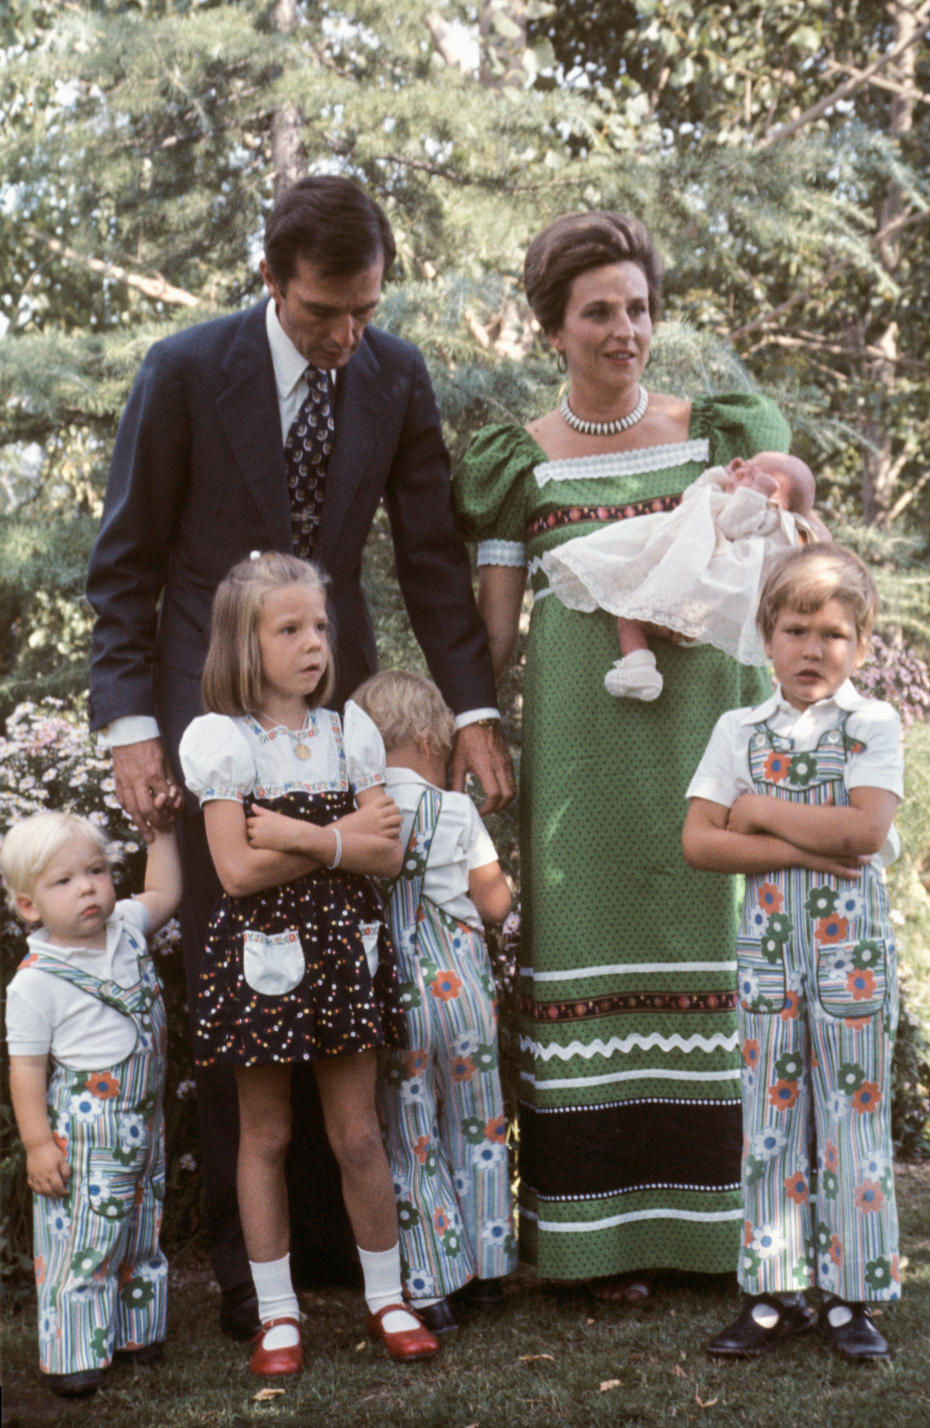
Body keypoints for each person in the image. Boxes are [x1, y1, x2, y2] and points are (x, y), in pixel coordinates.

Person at [85, 174, 514, 1337]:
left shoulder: (394, 373)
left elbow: (429, 553)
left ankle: (347, 1245)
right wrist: (134, 732)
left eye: (366, 309)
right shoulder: (185, 371)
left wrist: (470, 711)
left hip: (339, 714)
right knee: (237, 973)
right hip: (209, 710)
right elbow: (125, 560)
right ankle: (248, 1270)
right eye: (327, 311)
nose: (347, 336)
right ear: (273, 281)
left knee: (345, 962)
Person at [452, 210, 791, 1298]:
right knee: (586, 963)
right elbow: (495, 624)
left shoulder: (717, 434)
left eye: (639, 308)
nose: (625, 330)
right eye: (599, 311)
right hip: (584, 765)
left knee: (715, 954)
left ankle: (715, 1233)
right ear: (554, 328)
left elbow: (781, 579)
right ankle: (598, 1245)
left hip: (711, 749)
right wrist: (472, 725)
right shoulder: (521, 464)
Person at [178, 552, 441, 1372]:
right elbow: (235, 870)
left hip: (343, 956)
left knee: (358, 1133)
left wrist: (296, 834)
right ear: (243, 644)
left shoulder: (347, 732)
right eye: (288, 628)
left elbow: (386, 854)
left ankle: (387, 1299)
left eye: (319, 626)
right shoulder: (223, 742)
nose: (313, 643)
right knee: (266, 1134)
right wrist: (342, 843)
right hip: (261, 962)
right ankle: (278, 1313)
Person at [683, 545, 901, 1363]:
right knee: (769, 1121)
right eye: (796, 629)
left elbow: (866, 830)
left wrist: (755, 811)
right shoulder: (738, 729)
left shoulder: (871, 724)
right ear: (767, 637)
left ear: (862, 643)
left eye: (835, 634)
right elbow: (701, 843)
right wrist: (806, 848)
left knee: (853, 1118)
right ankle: (775, 1293)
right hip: (769, 956)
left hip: (853, 961)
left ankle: (851, 1299)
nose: (814, 650)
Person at [351, 670, 517, 1336]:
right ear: (428, 738)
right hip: (463, 991)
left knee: (408, 1128)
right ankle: (488, 1272)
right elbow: (495, 902)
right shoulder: (455, 810)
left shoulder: (358, 813)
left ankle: (430, 1283)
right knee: (478, 1119)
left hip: (394, 992)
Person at [3, 811, 181, 1398]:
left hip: (144, 1119)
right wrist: (36, 1144)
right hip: (87, 1127)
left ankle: (136, 1329)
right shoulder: (37, 980)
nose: (88, 887)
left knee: (140, 1226)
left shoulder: (127, 927)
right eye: (65, 881)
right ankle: (74, 1351)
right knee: (86, 1237)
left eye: (97, 871)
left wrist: (160, 836)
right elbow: (27, 1069)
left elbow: (164, 891)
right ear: (29, 906)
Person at [542, 451, 826, 699]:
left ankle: (638, 662)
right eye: (744, 466)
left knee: (630, 615)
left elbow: (732, 523)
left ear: (774, 499)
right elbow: (693, 495)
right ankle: (639, 666)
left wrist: (754, 494)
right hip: (684, 602)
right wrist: (723, 474)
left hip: (693, 600)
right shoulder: (728, 500)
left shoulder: (766, 519)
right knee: (628, 618)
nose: (740, 473)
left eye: (752, 475)